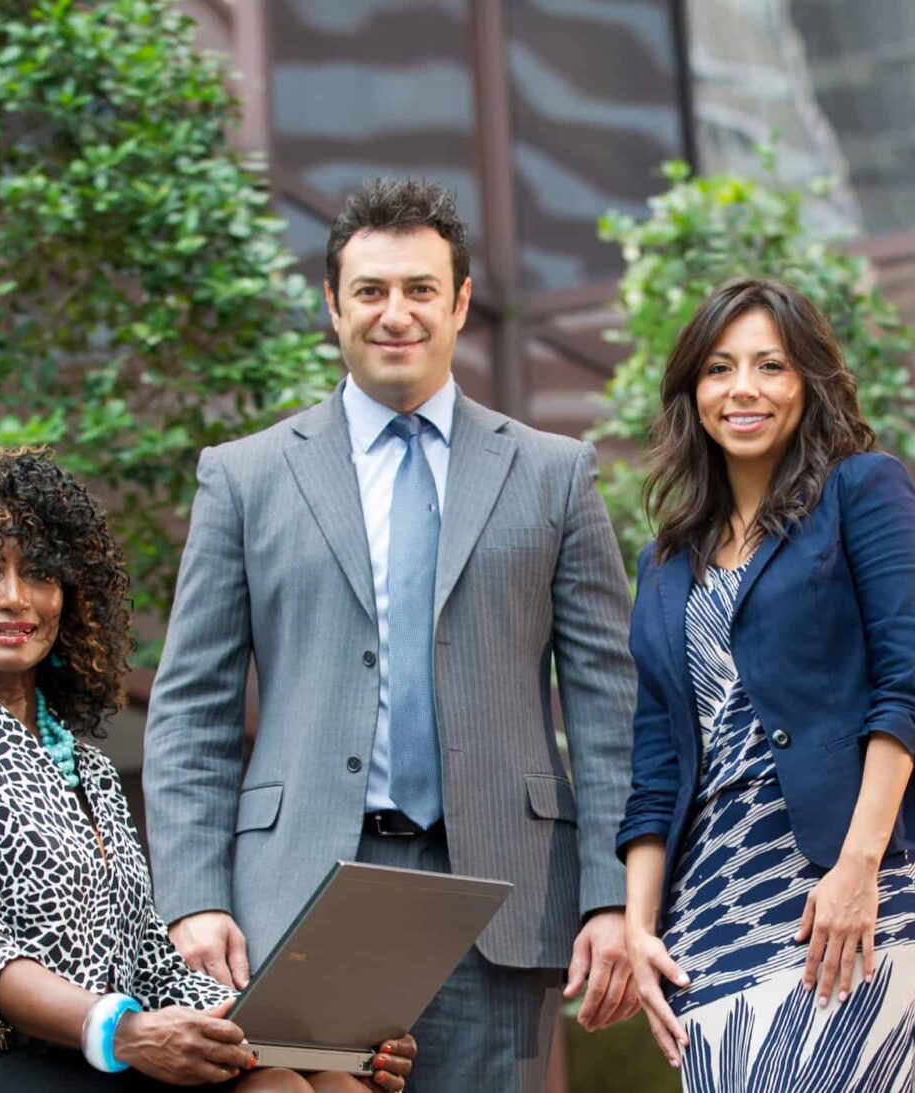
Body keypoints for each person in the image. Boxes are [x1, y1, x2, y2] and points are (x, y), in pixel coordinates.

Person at [143, 177, 638, 1093]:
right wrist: (195, 895)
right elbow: (190, 713)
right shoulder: (244, 478)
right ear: (333, 305)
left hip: (498, 892)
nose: (394, 313)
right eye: (370, 290)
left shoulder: (555, 475)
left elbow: (609, 710)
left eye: (419, 289)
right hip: (295, 898)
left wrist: (612, 897)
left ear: (459, 303)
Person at [0, 449, 416, 1091]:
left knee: (317, 1082)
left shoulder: (87, 767)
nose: (15, 599)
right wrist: (126, 1031)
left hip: (77, 1053)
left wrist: (308, 1035)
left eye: (41, 576)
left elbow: (150, 965)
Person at [613, 279, 915, 1089]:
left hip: (837, 894)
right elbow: (656, 761)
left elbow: (910, 690)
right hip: (708, 914)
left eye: (771, 365)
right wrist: (636, 925)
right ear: (692, 391)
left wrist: (857, 867)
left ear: (809, 381)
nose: (744, 389)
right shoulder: (663, 566)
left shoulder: (861, 490)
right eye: (720, 368)